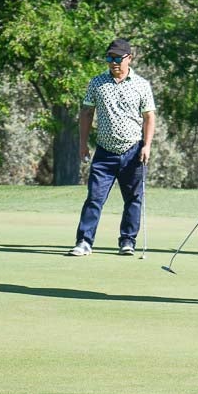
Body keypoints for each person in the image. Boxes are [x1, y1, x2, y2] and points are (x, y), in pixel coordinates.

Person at [68, 38, 156, 257]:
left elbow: (149, 117)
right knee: (94, 198)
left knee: (133, 199)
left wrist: (147, 146)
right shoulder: (97, 83)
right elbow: (87, 113)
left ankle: (128, 241)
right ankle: (84, 241)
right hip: (104, 152)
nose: (113, 62)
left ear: (129, 58)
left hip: (133, 151)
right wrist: (82, 144)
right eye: (109, 58)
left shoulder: (142, 85)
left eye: (118, 58)